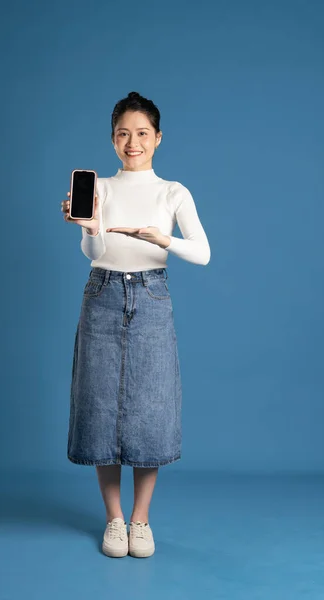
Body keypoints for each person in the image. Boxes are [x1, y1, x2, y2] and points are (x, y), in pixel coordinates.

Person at [61, 91, 211, 559]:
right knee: (100, 405)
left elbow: (202, 253)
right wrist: (89, 227)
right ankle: (114, 519)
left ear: (158, 138)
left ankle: (141, 520)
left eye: (142, 133)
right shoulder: (100, 187)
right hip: (102, 292)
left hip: (151, 295)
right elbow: (95, 255)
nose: (133, 142)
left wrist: (159, 237)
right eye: (123, 133)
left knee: (151, 406)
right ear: (112, 139)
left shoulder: (173, 192)